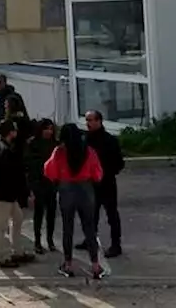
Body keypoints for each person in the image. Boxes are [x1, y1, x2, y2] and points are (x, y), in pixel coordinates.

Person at [44, 123, 105, 279]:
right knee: (89, 229)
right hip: (86, 190)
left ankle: (68, 264)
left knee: (67, 229)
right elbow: (98, 174)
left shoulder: (59, 152)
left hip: (66, 190)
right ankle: (96, 265)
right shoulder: (89, 151)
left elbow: (49, 171)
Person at [0, 120, 32, 268]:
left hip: (4, 193)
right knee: (0, 226)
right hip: (4, 194)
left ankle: (16, 250)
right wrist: (23, 192)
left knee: (17, 219)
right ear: (11, 132)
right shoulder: (6, 151)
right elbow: (12, 175)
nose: (17, 132)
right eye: (15, 130)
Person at [82, 110, 124, 258]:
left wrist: (105, 173)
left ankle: (116, 244)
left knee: (111, 214)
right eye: (87, 120)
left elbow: (119, 163)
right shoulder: (85, 140)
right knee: (90, 214)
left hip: (106, 183)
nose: (88, 123)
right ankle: (89, 239)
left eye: (91, 120)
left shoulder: (109, 140)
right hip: (90, 183)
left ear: (99, 121)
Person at [25, 118, 59, 255]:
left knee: (51, 213)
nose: (49, 132)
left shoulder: (55, 144)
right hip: (38, 182)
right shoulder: (32, 143)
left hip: (52, 182)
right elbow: (29, 165)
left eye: (51, 129)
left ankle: (50, 240)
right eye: (46, 129)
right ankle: (37, 241)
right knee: (39, 213)